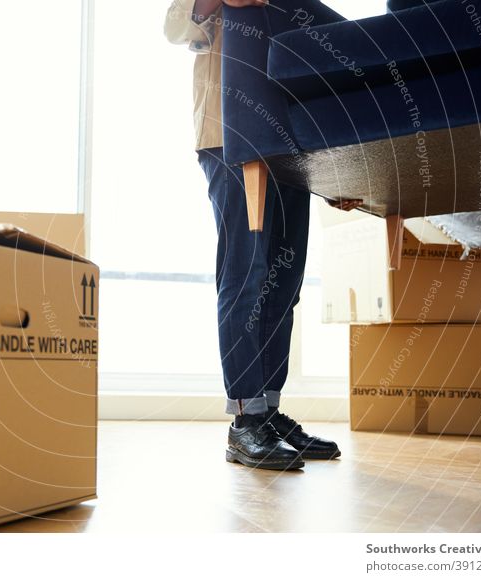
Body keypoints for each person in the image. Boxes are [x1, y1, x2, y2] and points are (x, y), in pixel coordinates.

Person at [164, 0, 354, 470]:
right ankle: (245, 420)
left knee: (284, 286)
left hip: (293, 146)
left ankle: (268, 411)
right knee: (245, 277)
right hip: (228, 137)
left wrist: (337, 172)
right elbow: (174, 26)